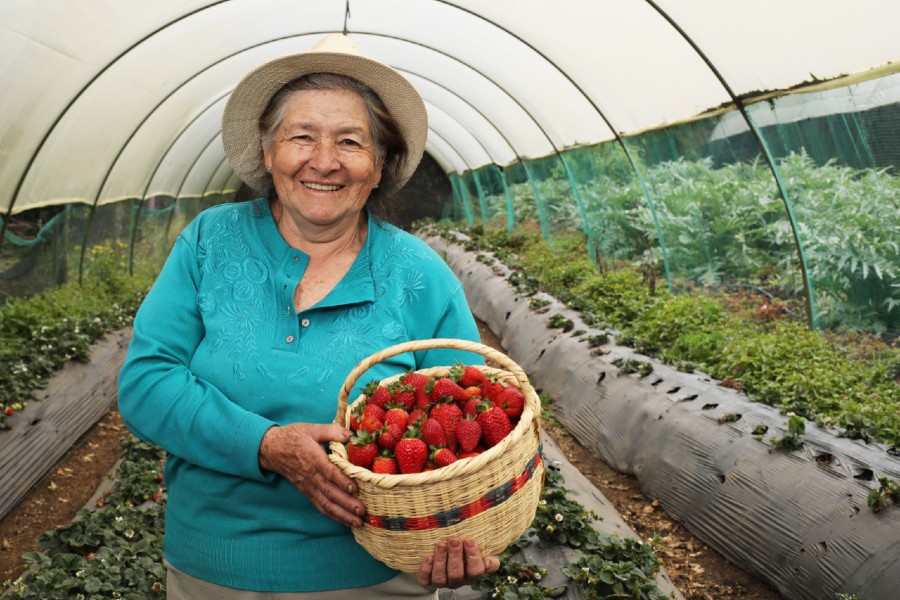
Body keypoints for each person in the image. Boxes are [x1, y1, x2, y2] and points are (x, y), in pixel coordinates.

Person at [117, 33, 499, 599]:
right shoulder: (209, 243)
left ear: (379, 166)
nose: (325, 162)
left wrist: (460, 536)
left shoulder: (418, 274)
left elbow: (474, 426)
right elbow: (147, 382)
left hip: (373, 573)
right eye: (302, 137)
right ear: (267, 152)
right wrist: (266, 444)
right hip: (214, 567)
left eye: (350, 142)